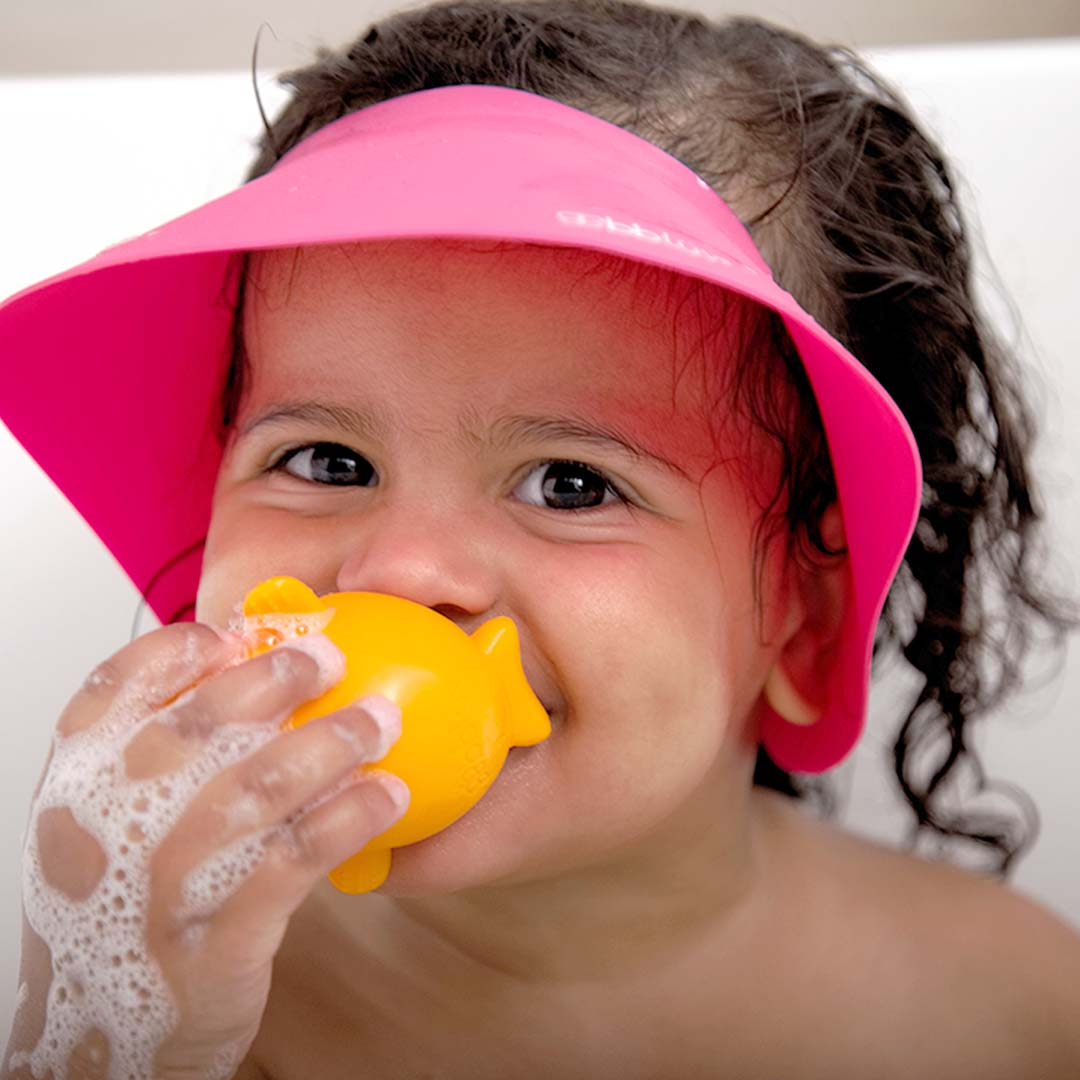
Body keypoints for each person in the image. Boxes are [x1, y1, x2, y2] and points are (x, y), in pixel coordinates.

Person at [2, 1, 1080, 1076]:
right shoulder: (179, 1010)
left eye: (571, 484)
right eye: (328, 461)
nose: (402, 571)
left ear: (805, 613)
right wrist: (101, 1029)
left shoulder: (1007, 1013)